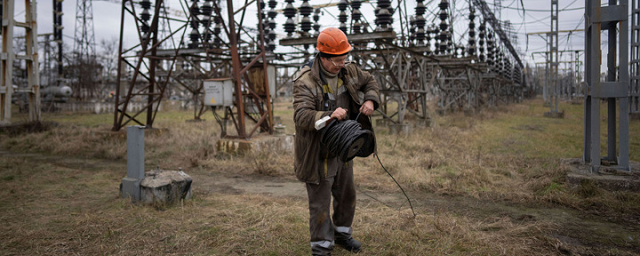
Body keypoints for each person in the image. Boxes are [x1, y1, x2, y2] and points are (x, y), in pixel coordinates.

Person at [292, 27, 380, 256]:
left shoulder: (348, 71)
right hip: (318, 152)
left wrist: (370, 100)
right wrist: (327, 116)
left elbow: (370, 80)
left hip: (344, 148)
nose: (342, 63)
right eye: (337, 60)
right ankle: (321, 248)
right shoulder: (305, 82)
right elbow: (301, 116)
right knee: (320, 202)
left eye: (344, 58)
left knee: (346, 194)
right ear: (323, 57)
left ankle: (342, 235)